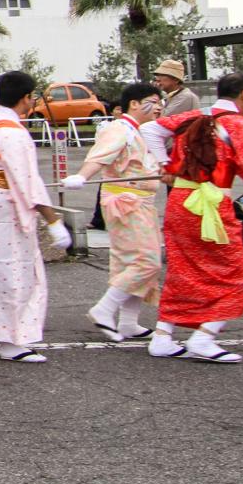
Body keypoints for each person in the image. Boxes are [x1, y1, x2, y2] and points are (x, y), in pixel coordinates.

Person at [139, 72, 243, 363]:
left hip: (181, 202)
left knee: (182, 269)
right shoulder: (241, 126)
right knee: (238, 272)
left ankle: (162, 336)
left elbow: (149, 131)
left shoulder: (194, 116)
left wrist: (165, 164)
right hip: (211, 205)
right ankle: (204, 336)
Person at [0, 71, 72, 364]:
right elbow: (29, 181)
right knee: (17, 273)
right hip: (8, 204)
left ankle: (9, 334)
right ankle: (11, 339)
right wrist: (54, 221)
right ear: (26, 99)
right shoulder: (15, 133)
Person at [62, 81, 164, 341]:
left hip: (140, 202)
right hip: (127, 202)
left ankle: (129, 322)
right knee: (146, 260)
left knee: (131, 262)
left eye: (161, 101)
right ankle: (104, 309)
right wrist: (82, 176)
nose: (159, 107)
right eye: (153, 101)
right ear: (135, 104)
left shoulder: (141, 130)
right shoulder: (121, 128)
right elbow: (100, 156)